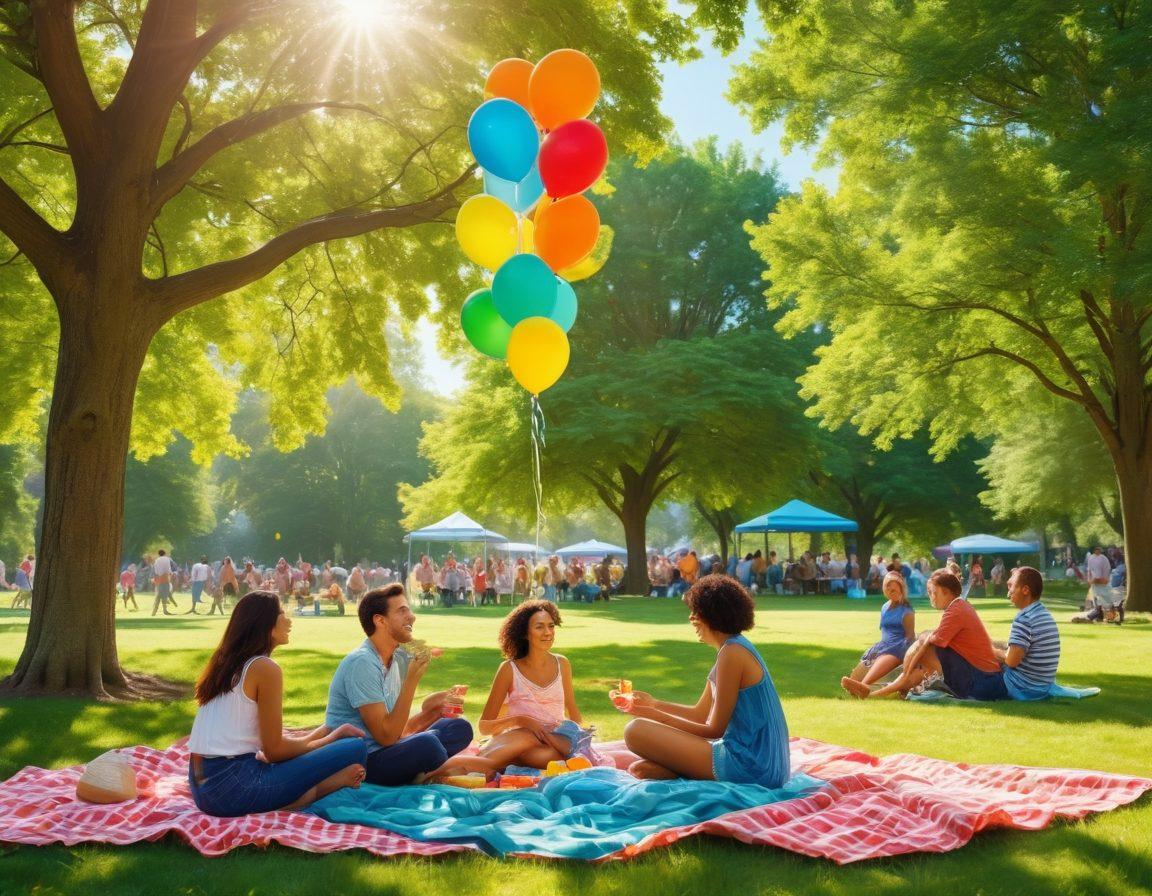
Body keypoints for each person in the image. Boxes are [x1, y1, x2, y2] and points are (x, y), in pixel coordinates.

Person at [187, 591, 368, 817]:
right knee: (356, 747)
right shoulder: (264, 668)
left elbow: (267, 747)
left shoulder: (227, 663)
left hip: (203, 787)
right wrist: (332, 739)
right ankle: (317, 790)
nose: (289, 620)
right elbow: (274, 751)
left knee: (339, 747)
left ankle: (295, 795)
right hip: (233, 787)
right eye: (282, 613)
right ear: (265, 624)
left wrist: (323, 733)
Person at [618, 575, 790, 786]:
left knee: (635, 731)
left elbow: (713, 730)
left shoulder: (733, 653)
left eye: (696, 612)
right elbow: (700, 714)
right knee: (642, 768)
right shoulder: (731, 649)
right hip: (757, 762)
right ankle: (678, 771)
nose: (691, 619)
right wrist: (653, 703)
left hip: (752, 765)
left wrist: (654, 715)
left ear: (713, 614)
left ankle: (681, 771)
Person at [325, 585, 473, 786]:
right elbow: (386, 736)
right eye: (402, 611)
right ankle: (430, 771)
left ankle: (423, 769)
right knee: (428, 745)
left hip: (389, 749)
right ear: (380, 620)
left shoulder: (395, 658)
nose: (412, 617)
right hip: (362, 762)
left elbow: (399, 731)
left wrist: (434, 710)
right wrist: (412, 681)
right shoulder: (362, 663)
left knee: (459, 728)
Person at [429, 600, 595, 778]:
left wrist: (580, 738)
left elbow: (572, 710)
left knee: (544, 755)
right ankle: (440, 772)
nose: (547, 633)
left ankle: (456, 770)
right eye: (539, 627)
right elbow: (485, 726)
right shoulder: (509, 669)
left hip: (550, 743)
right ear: (525, 633)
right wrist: (521, 720)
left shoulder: (562, 664)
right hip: (519, 737)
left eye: (551, 626)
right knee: (524, 741)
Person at [841, 570, 1006, 700]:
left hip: (981, 682)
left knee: (926, 649)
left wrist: (907, 670)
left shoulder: (956, 610)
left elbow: (928, 641)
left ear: (947, 592)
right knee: (923, 666)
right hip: (983, 679)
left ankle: (877, 690)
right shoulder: (959, 607)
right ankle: (873, 692)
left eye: (934, 593)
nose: (931, 598)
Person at [993, 566, 1060, 700]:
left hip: (1022, 688)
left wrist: (986, 649)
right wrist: (987, 641)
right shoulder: (1042, 613)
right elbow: (1016, 648)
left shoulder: (1024, 618)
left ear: (1025, 590)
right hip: (1042, 687)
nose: (1008, 593)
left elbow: (1011, 661)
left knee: (973, 668)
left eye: (1012, 587)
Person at [843, 572, 915, 690]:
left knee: (864, 682)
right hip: (883, 645)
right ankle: (857, 685)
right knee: (854, 679)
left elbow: (910, 637)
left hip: (898, 649)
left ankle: (863, 687)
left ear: (902, 590)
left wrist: (904, 655)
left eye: (895, 590)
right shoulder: (885, 607)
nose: (891, 592)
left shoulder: (907, 611)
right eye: (888, 588)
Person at [151, 549, 175, 616]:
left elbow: (155, 570)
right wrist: (171, 574)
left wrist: (156, 577)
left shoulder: (157, 560)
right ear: (164, 553)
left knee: (159, 594)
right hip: (165, 578)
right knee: (165, 594)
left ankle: (154, 611)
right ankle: (164, 610)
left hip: (159, 578)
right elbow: (168, 568)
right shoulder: (167, 559)